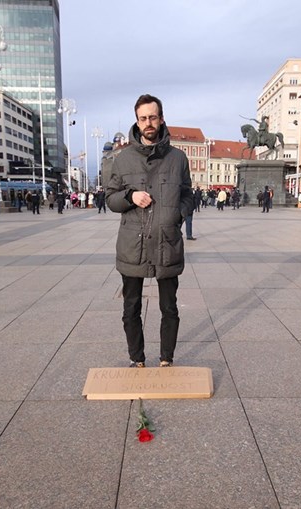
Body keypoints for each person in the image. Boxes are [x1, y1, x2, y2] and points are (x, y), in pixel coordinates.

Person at [105, 93, 193, 368]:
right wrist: (130, 197)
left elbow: (188, 195)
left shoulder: (178, 158)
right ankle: (137, 358)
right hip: (133, 245)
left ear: (161, 118)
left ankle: (166, 357)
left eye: (152, 117)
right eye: (143, 118)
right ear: (137, 121)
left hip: (167, 244)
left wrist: (176, 216)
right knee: (131, 307)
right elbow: (110, 198)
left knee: (169, 307)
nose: (148, 123)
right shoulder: (122, 159)